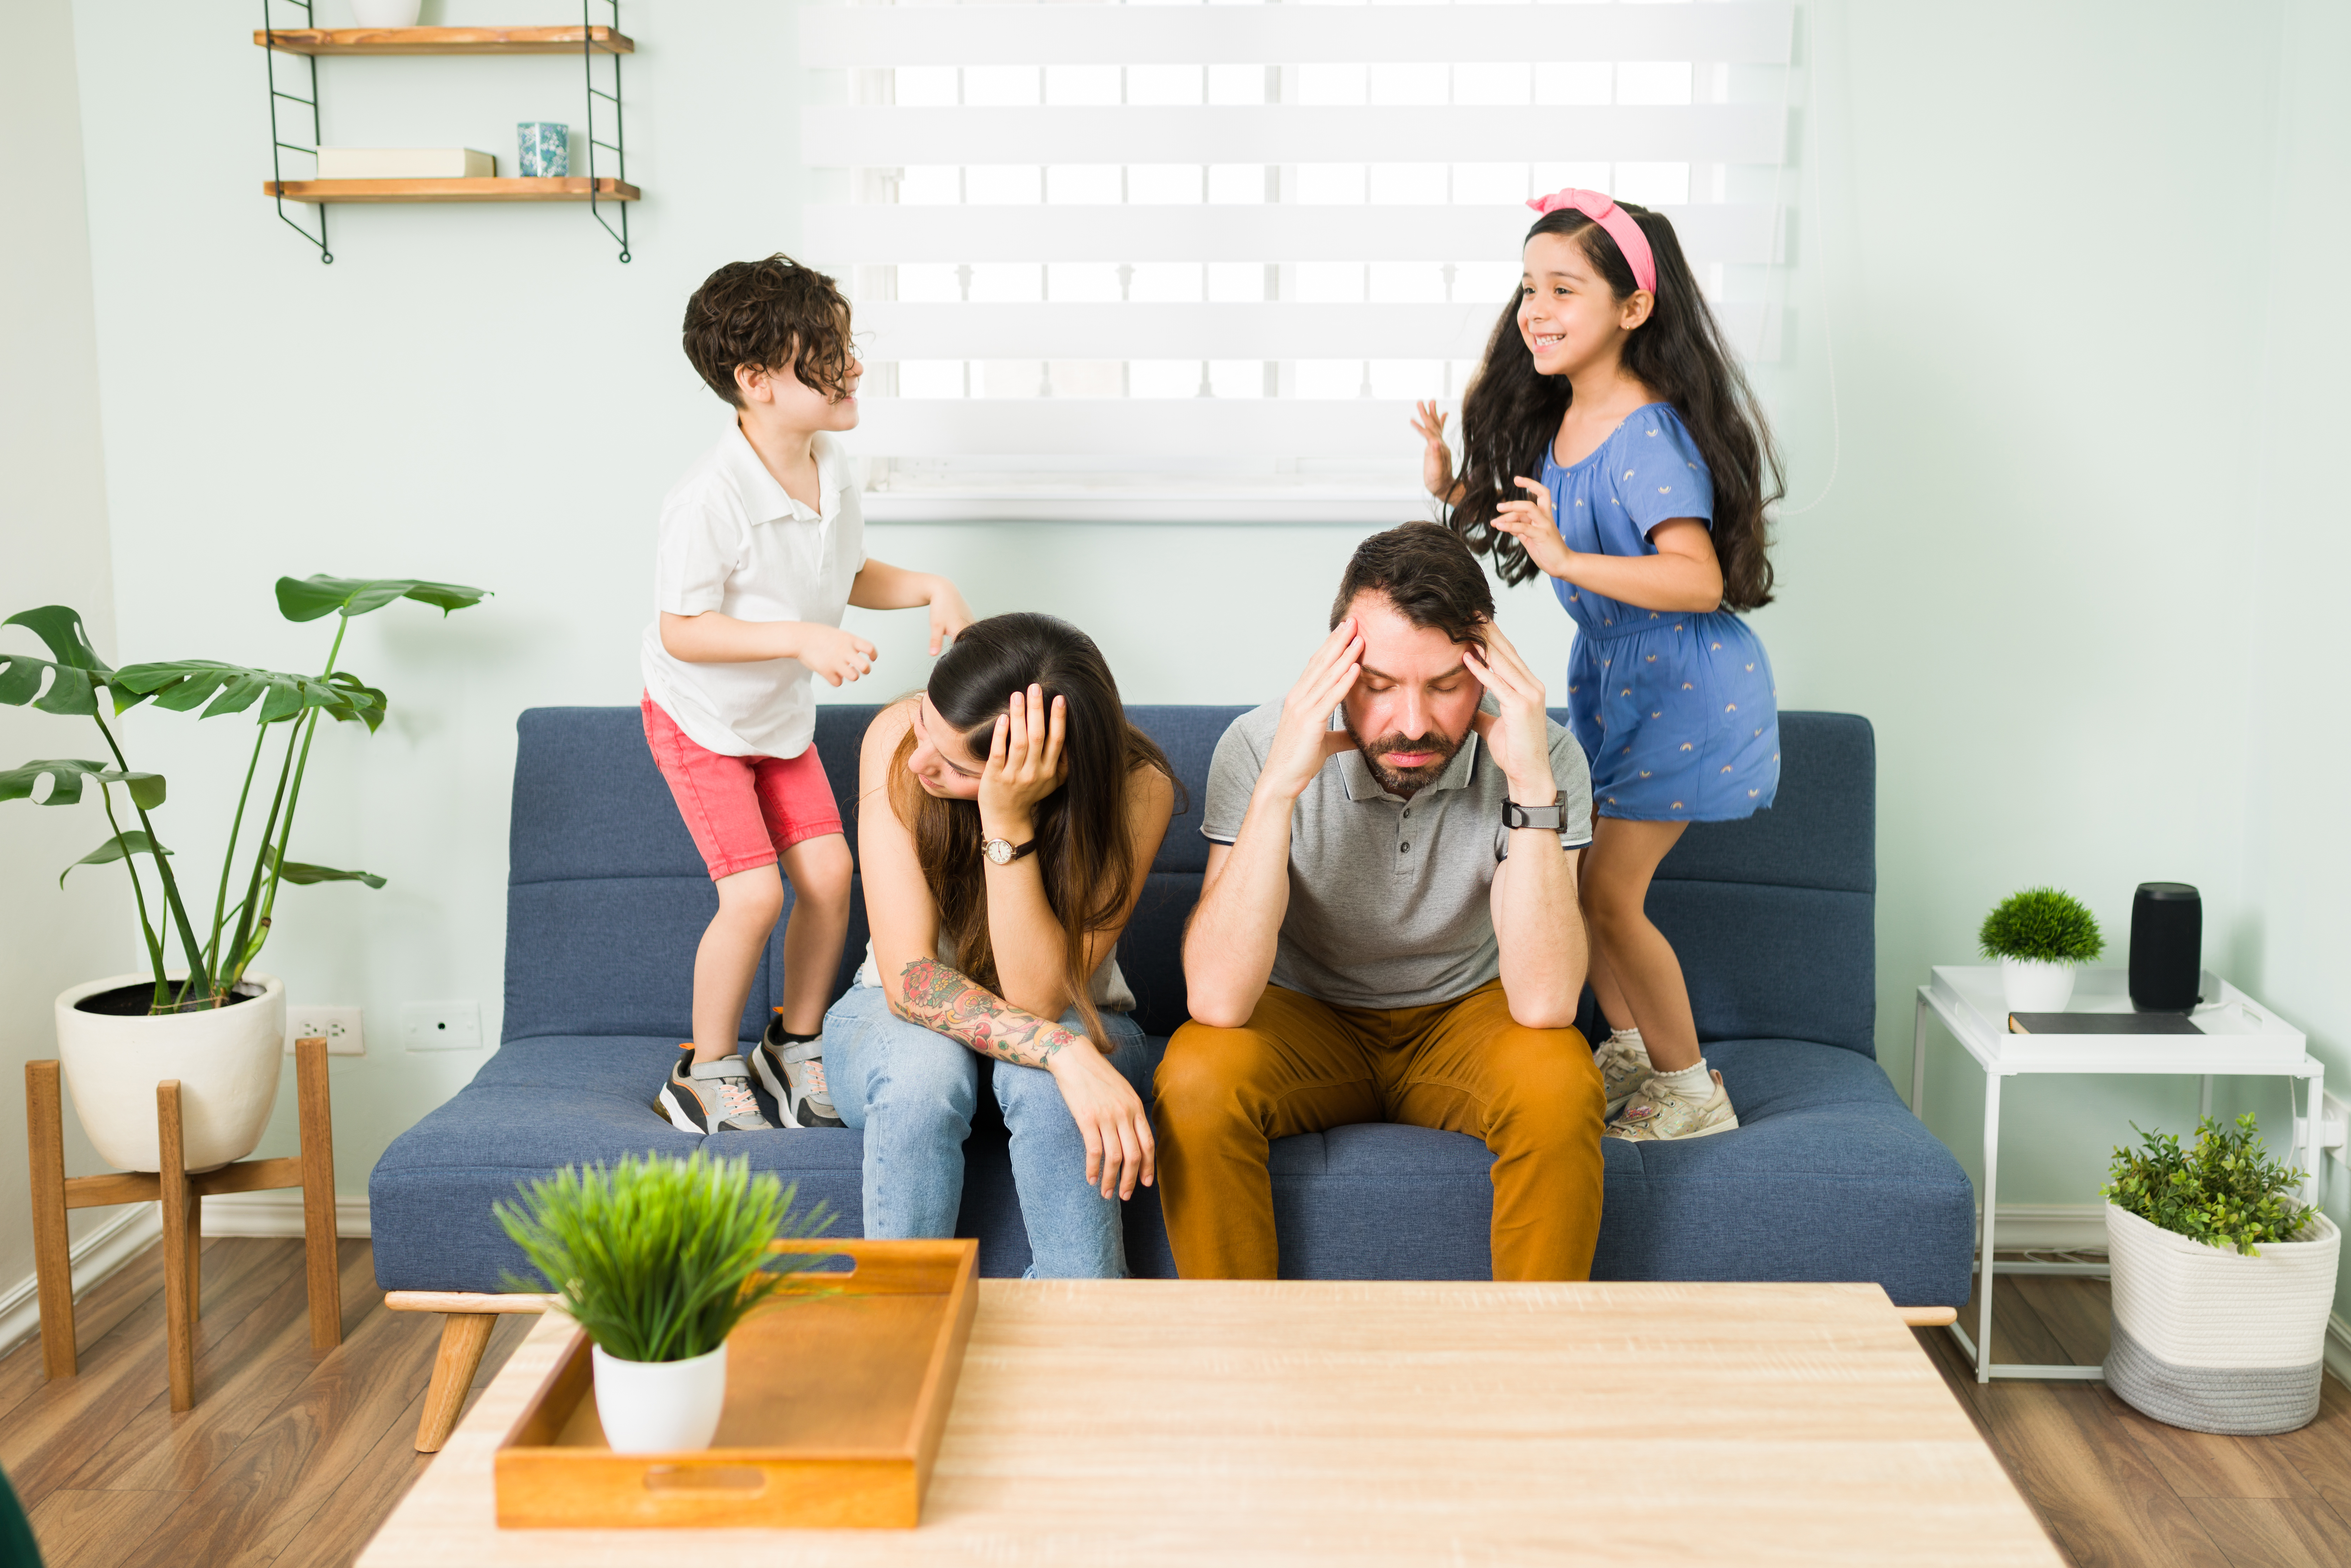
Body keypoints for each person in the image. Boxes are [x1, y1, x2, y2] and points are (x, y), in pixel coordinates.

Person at [1412, 188, 1784, 1142]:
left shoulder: (1647, 430)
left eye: (1564, 288)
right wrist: (1448, 480)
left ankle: (1693, 1090)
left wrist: (1570, 561)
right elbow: (1525, 520)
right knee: (1587, 889)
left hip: (1687, 688)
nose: (1536, 307)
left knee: (1610, 898)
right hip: (1623, 682)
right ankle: (1633, 1053)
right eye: (1529, 286)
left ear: (1632, 308)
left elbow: (1697, 580)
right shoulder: (1564, 421)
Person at [1156, 523, 1605, 1281]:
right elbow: (1219, 998)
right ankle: (1234, 1363)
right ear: (1338, 672)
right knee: (1196, 1078)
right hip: (1304, 1014)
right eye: (1379, 685)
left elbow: (1546, 1002)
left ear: (1488, 674)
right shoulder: (1261, 742)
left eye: (1445, 685)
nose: (1412, 723)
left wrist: (1532, 788)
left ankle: (1539, 1375)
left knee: (1561, 1083)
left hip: (1468, 1015)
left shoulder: (1546, 754)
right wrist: (1279, 790)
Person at [643, 254, 972, 1136]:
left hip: (777, 721)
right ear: (755, 381)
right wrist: (801, 638)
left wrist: (933, 586)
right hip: (703, 722)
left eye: (847, 345)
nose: (852, 367)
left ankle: (793, 1042)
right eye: (824, 352)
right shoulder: (708, 498)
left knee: (830, 876)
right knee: (753, 896)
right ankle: (704, 1067)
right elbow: (683, 628)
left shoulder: (831, 467)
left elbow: (847, 570)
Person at [825, 613, 1175, 1277]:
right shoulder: (896, 737)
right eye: (928, 724)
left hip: (1071, 1009)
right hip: (896, 1019)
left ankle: (1081, 1334)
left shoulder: (1137, 786)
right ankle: (902, 1329)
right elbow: (910, 979)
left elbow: (1039, 996)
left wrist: (1007, 820)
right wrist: (1061, 1049)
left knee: (1048, 1093)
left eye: (958, 766)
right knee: (925, 1073)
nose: (922, 760)